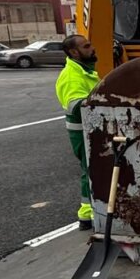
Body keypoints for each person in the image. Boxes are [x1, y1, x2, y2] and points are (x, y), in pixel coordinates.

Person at [56, 35, 100, 230]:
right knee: (91, 171)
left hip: (91, 129)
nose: (92, 49)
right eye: (87, 46)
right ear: (74, 52)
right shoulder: (71, 77)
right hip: (82, 131)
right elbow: (75, 106)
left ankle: (90, 213)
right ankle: (87, 215)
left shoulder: (85, 71)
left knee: (95, 170)